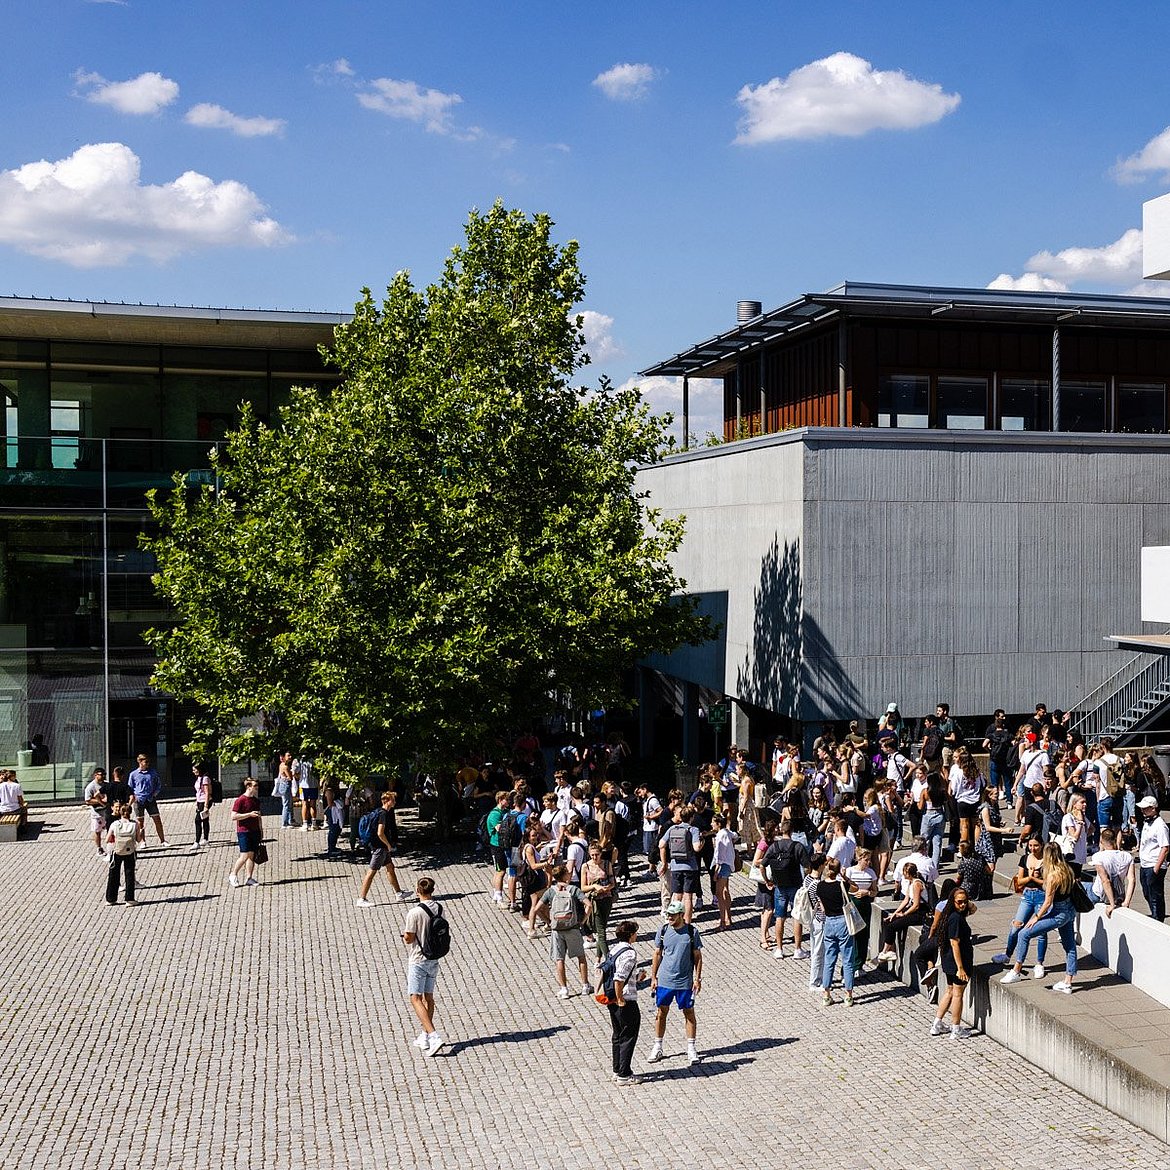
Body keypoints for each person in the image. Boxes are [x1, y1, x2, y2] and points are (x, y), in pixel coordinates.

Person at [1001, 843, 1078, 993]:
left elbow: (1048, 901)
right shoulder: (1068, 870)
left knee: (1024, 933)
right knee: (1070, 947)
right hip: (1070, 911)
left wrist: (1036, 918)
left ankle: (1016, 971)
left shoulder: (1052, 875)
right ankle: (1068, 982)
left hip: (1059, 912)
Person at [647, 900, 702, 1067]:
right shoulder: (663, 930)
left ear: (681, 915)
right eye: (668, 915)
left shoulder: (691, 932)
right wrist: (653, 977)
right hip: (665, 980)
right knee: (661, 1012)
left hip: (684, 982)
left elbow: (698, 957)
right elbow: (657, 954)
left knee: (689, 1013)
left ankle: (691, 1048)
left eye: (672, 915)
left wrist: (697, 978)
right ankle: (658, 1046)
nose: (669, 917)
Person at [992, 836, 1049, 978]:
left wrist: (1035, 878)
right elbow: (1020, 881)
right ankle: (1007, 954)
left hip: (1041, 896)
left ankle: (1039, 963)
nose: (1033, 848)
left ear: (1042, 845)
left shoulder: (1047, 861)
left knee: (1041, 931)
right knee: (1016, 926)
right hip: (1028, 896)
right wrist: (1030, 877)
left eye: (1036, 845)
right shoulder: (1025, 859)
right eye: (1030, 845)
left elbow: (1048, 883)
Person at [402, 876, 445, 1057]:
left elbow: (409, 938)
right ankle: (425, 1034)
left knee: (415, 998)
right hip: (433, 957)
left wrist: (404, 937)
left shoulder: (414, 913)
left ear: (418, 891)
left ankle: (434, 1036)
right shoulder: (439, 908)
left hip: (418, 959)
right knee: (429, 997)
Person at [929, 887, 976, 1038]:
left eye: (965, 901)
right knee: (957, 994)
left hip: (948, 960)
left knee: (949, 991)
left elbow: (974, 909)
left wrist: (966, 903)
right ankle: (956, 1028)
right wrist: (960, 968)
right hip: (958, 961)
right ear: (952, 902)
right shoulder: (955, 918)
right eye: (959, 902)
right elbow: (955, 943)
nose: (963, 905)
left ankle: (937, 1023)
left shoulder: (949, 914)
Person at [539, 865, 592, 998]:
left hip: (557, 929)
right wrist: (583, 920)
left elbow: (536, 909)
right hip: (572, 928)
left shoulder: (550, 891)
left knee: (559, 959)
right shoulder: (573, 889)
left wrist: (548, 922)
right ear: (565, 875)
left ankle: (564, 989)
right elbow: (589, 905)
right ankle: (585, 985)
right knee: (581, 957)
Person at [601, 919, 642, 1085]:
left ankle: (617, 1070)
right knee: (628, 1035)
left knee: (617, 1035)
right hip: (625, 999)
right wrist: (620, 1000)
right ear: (631, 935)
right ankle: (625, 1074)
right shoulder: (630, 954)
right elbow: (619, 978)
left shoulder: (615, 949)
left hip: (612, 998)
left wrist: (638, 977)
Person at [764, 818, 810, 958]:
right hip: (795, 885)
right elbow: (807, 866)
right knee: (797, 917)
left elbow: (762, 865)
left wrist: (767, 880)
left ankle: (779, 949)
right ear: (792, 831)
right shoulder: (797, 846)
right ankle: (797, 949)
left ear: (781, 830)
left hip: (779, 886)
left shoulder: (774, 846)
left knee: (780, 917)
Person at [356, 791, 408, 906]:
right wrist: (388, 845)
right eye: (393, 800)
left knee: (390, 867)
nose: (394, 802)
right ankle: (362, 899)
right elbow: (380, 833)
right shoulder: (383, 814)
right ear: (387, 801)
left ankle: (399, 893)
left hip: (380, 847)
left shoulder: (379, 811)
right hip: (379, 848)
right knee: (371, 872)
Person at [817, 858, 857, 1006]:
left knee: (829, 959)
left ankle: (826, 994)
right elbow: (856, 888)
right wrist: (845, 876)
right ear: (839, 870)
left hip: (828, 922)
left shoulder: (820, 886)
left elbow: (821, 906)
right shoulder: (841, 885)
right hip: (842, 921)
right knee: (847, 959)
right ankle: (848, 995)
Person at [874, 861, 927, 963]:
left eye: (904, 872)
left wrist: (904, 914)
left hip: (920, 913)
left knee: (892, 926)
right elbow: (906, 900)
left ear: (908, 873)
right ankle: (891, 951)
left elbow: (916, 905)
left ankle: (885, 952)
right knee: (889, 921)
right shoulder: (911, 883)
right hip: (913, 910)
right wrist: (894, 914)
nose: (903, 874)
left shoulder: (917, 884)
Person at [1084, 828, 1136, 916]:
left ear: (1101, 841)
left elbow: (1106, 881)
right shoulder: (1127, 856)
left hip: (1099, 894)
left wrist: (1112, 905)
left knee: (1079, 886)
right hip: (1119, 894)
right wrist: (1126, 902)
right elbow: (1132, 880)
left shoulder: (1098, 857)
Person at [1137, 795, 1169, 921]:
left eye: (1145, 808)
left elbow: (1165, 847)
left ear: (1153, 808)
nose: (1143, 811)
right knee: (1146, 892)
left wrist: (1156, 867)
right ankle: (1154, 915)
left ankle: (1158, 918)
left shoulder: (1160, 825)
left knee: (1155, 896)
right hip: (1145, 864)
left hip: (1154, 864)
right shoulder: (1147, 822)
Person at [227, 778, 263, 888]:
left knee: (251, 856)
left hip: (254, 831)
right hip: (243, 831)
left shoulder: (256, 801)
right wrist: (248, 814)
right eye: (255, 786)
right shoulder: (240, 800)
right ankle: (233, 874)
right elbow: (234, 816)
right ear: (248, 787)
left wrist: (261, 830)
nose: (257, 788)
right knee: (244, 855)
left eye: (257, 785)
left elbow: (259, 817)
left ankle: (249, 878)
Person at [128, 753, 169, 847]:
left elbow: (158, 784)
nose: (147, 764)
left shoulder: (153, 772)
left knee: (157, 819)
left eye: (148, 762)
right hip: (139, 800)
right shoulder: (133, 774)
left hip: (150, 799)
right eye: (145, 762)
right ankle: (142, 841)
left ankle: (163, 840)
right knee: (140, 822)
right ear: (140, 762)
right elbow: (130, 788)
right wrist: (134, 797)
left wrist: (155, 793)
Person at [104, 801, 139, 906]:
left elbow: (107, 839)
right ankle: (129, 899)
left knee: (114, 874)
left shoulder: (115, 824)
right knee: (129, 874)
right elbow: (138, 839)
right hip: (130, 851)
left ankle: (111, 899)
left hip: (117, 851)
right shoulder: (134, 824)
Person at [710, 812, 737, 930]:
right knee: (726, 890)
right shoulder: (727, 832)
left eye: (713, 822)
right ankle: (728, 917)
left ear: (718, 824)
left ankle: (723, 921)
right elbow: (735, 835)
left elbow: (718, 855)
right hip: (729, 864)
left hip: (722, 865)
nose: (711, 824)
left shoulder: (720, 836)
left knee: (719, 893)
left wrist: (716, 871)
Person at [637, 784, 664, 874]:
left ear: (645, 789)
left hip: (652, 828)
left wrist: (651, 817)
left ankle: (652, 869)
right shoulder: (647, 800)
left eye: (640, 792)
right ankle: (652, 868)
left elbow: (661, 810)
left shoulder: (653, 800)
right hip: (648, 827)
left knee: (651, 849)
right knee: (649, 849)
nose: (640, 794)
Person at [83, 767, 109, 855]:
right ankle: (99, 848)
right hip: (97, 814)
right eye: (101, 775)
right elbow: (88, 801)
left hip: (107, 812)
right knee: (97, 831)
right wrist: (100, 801)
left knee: (111, 830)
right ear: (95, 775)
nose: (103, 776)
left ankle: (112, 847)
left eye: (104, 775)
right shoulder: (90, 787)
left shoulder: (107, 784)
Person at [189, 762, 213, 852]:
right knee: (205, 820)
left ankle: (197, 842)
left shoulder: (205, 779)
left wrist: (206, 806)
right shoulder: (198, 778)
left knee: (197, 820)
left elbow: (207, 792)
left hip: (205, 801)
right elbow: (198, 792)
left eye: (195, 769)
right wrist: (197, 802)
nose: (193, 771)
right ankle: (206, 839)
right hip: (200, 801)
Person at [296, 755, 320, 832]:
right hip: (314, 784)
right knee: (313, 804)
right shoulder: (315, 759)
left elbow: (295, 772)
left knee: (305, 804)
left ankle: (305, 824)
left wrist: (299, 778)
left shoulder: (300, 760)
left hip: (303, 785)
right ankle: (314, 824)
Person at [274, 751, 295, 829]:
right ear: (284, 757)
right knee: (286, 804)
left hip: (284, 785)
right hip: (285, 786)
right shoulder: (285, 767)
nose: (290, 757)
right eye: (288, 756)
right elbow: (290, 777)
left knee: (288, 803)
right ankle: (284, 823)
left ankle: (289, 821)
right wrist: (292, 773)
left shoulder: (282, 765)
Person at [322, 786, 344, 856]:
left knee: (336, 830)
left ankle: (333, 847)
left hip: (335, 812)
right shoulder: (329, 791)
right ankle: (331, 848)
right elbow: (330, 804)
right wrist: (338, 803)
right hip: (333, 813)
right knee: (333, 830)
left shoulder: (332, 790)